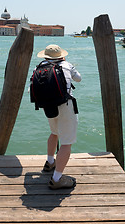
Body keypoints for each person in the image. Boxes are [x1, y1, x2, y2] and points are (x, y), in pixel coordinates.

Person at [36, 44, 81, 189]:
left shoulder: (40, 66)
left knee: (54, 133)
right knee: (66, 143)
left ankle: (50, 162)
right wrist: (68, 65)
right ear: (61, 55)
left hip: (48, 106)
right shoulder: (67, 65)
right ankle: (57, 179)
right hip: (65, 106)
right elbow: (78, 79)